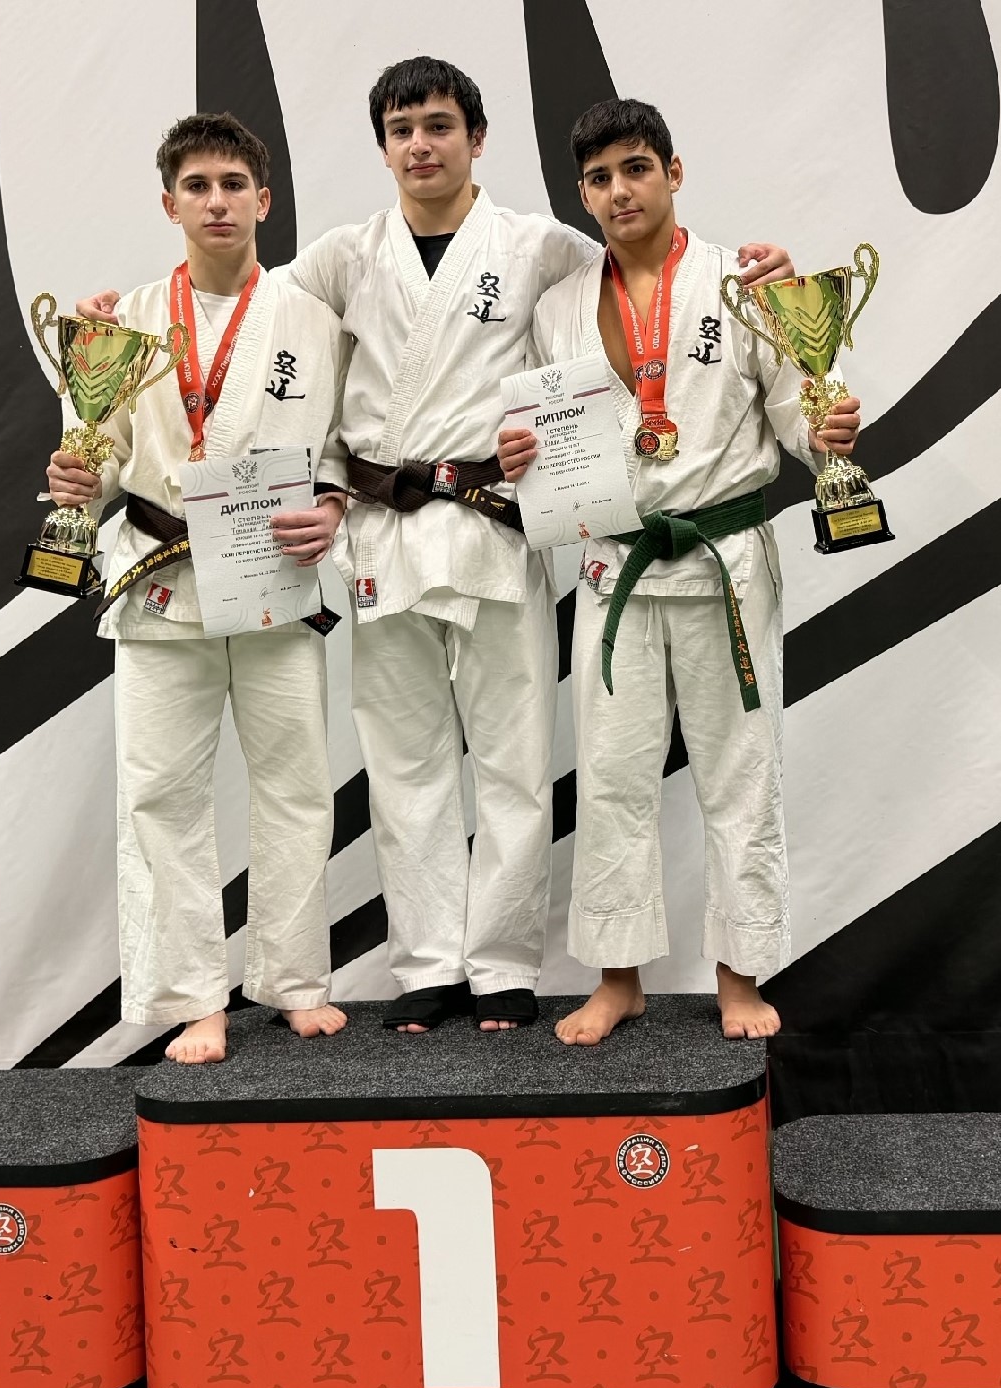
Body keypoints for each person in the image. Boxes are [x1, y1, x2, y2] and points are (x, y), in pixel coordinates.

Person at [76, 60, 794, 1036]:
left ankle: (501, 964)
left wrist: (754, 276)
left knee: (513, 761)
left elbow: (639, 274)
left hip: (496, 524)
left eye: (440, 124)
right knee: (403, 763)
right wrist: (127, 321)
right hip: (385, 530)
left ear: (476, 138)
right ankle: (426, 962)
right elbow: (251, 318)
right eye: (403, 128)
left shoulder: (538, 246)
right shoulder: (344, 256)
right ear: (383, 147)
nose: (422, 143)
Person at [497, 98, 862, 1045]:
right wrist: (522, 457)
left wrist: (825, 430)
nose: (620, 191)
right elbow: (550, 441)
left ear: (673, 172)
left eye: (636, 169)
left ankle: (740, 975)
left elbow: (793, 417)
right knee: (611, 778)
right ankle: (617, 978)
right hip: (615, 569)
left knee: (739, 773)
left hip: (723, 560)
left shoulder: (745, 286)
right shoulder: (559, 309)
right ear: (582, 195)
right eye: (600, 178)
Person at [47, 113, 351, 1063]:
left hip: (272, 572)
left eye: (232, 184)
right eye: (197, 186)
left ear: (264, 199)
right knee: (162, 794)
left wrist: (333, 504)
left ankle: (295, 978)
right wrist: (77, 474)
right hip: (158, 572)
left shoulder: (313, 318)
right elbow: (99, 455)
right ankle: (193, 997)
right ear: (168, 203)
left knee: (296, 783)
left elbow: (344, 442)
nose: (216, 202)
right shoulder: (119, 324)